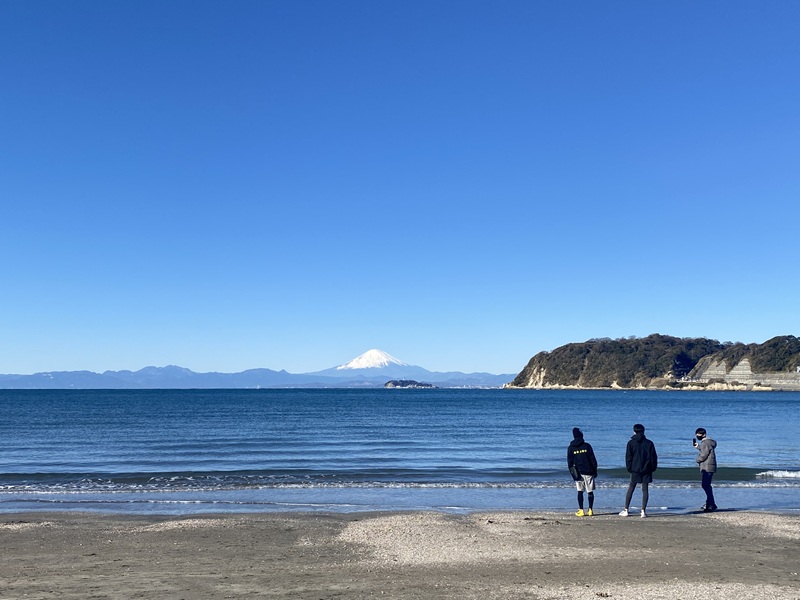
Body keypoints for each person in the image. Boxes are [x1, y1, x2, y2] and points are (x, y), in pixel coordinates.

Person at [619, 423, 658, 518]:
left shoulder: (631, 443)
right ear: (643, 431)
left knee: (631, 488)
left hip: (635, 469)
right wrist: (653, 468)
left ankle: (626, 509)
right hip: (647, 469)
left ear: (634, 431)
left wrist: (629, 468)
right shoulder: (649, 443)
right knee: (645, 490)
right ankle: (643, 511)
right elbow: (654, 457)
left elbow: (628, 457)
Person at [567, 427, 598, 517]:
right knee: (590, 491)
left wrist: (573, 473)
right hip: (588, 472)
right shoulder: (587, 446)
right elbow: (593, 459)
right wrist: (595, 470)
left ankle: (581, 510)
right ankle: (590, 510)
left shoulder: (571, 448)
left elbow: (569, 463)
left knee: (580, 491)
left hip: (578, 472)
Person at [693, 427, 717, 512]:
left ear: (704, 434)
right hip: (710, 466)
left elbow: (704, 455)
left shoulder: (705, 443)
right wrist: (698, 447)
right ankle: (711, 503)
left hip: (707, 467)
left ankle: (710, 504)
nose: (697, 436)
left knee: (705, 485)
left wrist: (697, 460)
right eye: (696, 435)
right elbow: (706, 450)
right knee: (707, 485)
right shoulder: (709, 442)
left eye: (699, 435)